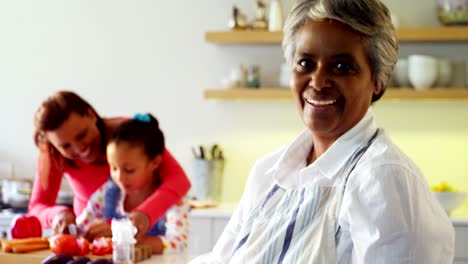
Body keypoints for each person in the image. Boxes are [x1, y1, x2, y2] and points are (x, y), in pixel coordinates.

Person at [191, 0, 454, 263]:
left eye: (341, 66)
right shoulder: (268, 173)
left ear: (377, 81)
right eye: (305, 63)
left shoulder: (381, 178)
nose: (317, 81)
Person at [29, 91, 191, 240]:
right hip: (91, 238)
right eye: (66, 146)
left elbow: (178, 180)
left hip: (136, 231)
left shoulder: (128, 135)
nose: (80, 149)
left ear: (91, 115)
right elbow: (37, 207)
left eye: (82, 134)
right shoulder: (52, 153)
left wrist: (143, 216)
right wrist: (59, 214)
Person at [76, 114, 189, 254]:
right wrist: (87, 230)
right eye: (113, 168)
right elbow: (80, 228)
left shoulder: (172, 201)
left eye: (129, 170)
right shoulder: (107, 193)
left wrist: (121, 237)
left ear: (155, 163)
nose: (119, 177)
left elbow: (178, 244)